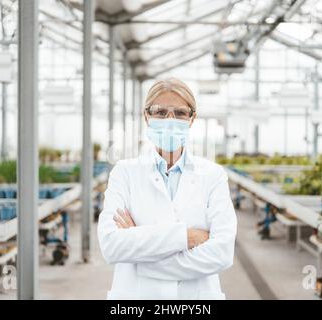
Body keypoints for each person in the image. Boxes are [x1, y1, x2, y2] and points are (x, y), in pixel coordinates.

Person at [97, 78, 237, 300]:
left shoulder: (213, 176)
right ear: (146, 116)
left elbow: (222, 253)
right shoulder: (124, 173)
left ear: (192, 119)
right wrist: (187, 237)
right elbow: (111, 246)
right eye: (160, 112)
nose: (170, 120)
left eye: (180, 113)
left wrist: (139, 256)